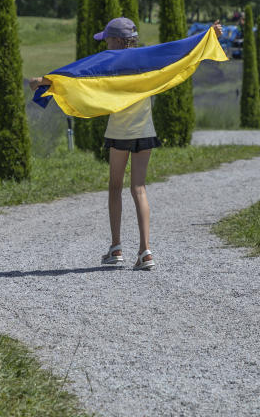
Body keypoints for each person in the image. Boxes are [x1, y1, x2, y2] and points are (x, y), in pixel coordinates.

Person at [29, 17, 224, 271]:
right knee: (139, 189)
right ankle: (145, 251)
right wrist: (209, 35)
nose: (105, 44)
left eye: (107, 39)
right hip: (145, 132)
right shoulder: (148, 60)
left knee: (114, 188)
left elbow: (77, 73)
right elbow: (179, 50)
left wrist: (42, 81)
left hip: (120, 134)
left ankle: (116, 247)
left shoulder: (110, 61)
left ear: (118, 41)